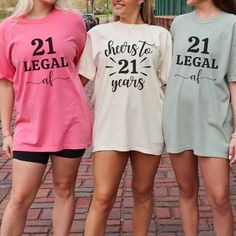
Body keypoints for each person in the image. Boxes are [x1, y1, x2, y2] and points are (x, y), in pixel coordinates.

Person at [78, 0, 172, 235]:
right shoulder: (98, 34)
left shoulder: (160, 35)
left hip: (149, 126)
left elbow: (170, 84)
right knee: (102, 197)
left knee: (142, 192)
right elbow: (77, 83)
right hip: (109, 127)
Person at [0, 0, 92, 235]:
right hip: (30, 127)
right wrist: (6, 132)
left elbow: (81, 67)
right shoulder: (8, 28)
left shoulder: (73, 21)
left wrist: (65, 92)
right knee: (19, 198)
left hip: (70, 123)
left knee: (64, 189)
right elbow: (5, 82)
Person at [163, 0, 236, 235]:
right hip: (177, 119)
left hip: (213, 122)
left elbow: (234, 82)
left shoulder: (231, 24)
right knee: (186, 191)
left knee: (220, 198)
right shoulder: (179, 24)